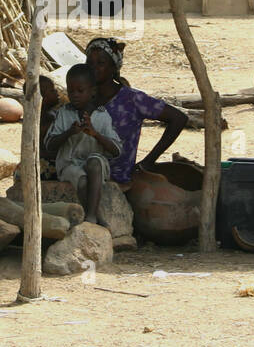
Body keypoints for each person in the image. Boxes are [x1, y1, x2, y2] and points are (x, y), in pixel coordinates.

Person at [85, 37, 188, 184]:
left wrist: (148, 162)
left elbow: (178, 118)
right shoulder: (83, 97)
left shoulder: (131, 99)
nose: (93, 67)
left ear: (114, 67)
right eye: (89, 63)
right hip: (83, 174)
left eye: (100, 63)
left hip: (118, 178)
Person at [43, 63, 121, 227]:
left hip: (95, 163)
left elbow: (116, 150)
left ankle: (91, 216)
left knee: (94, 162)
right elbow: (49, 144)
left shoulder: (102, 115)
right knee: (83, 181)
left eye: (80, 91)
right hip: (69, 164)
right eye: (71, 91)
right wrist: (69, 133)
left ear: (92, 91)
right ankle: (94, 215)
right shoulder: (64, 113)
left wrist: (95, 134)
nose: (74, 95)